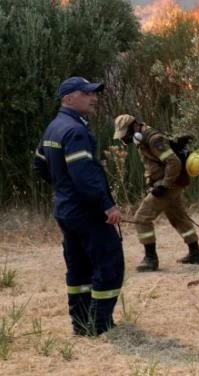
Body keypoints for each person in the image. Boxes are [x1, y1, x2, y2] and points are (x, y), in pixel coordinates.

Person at [32, 77, 124, 336]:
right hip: (87, 212)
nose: (93, 97)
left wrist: (63, 188)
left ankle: (81, 324)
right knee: (110, 263)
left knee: (78, 267)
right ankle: (100, 325)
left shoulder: (54, 127)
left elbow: (39, 164)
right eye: (86, 93)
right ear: (68, 98)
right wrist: (107, 206)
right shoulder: (75, 131)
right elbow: (85, 176)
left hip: (66, 210)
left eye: (93, 93)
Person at [113, 114, 199, 272]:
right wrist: (151, 181)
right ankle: (195, 253)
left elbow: (173, 162)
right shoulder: (143, 140)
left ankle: (150, 259)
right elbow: (152, 165)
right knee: (178, 217)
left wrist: (164, 185)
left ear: (135, 127)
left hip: (169, 184)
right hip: (165, 183)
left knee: (142, 217)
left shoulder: (154, 139)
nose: (125, 140)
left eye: (126, 135)